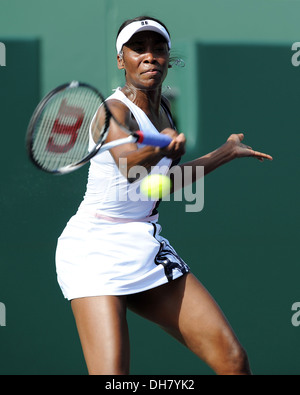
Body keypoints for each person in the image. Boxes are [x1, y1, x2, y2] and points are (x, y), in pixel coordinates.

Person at [55, 15, 272, 375]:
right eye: (137, 48)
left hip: (144, 242)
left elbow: (157, 186)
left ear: (169, 58)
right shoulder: (114, 110)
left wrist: (225, 152)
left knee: (233, 361)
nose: (149, 56)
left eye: (158, 48)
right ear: (121, 59)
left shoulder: (165, 109)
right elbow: (128, 164)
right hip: (93, 249)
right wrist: (162, 149)